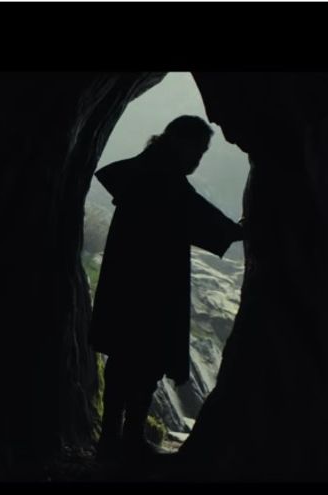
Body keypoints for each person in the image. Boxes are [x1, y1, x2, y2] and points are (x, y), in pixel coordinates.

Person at [89, 115, 244, 462]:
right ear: (178, 141)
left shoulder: (144, 171)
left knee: (127, 357)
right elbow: (196, 214)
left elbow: (192, 212)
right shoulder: (162, 178)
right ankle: (126, 440)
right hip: (151, 287)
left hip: (129, 283)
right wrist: (235, 230)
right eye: (197, 151)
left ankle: (114, 438)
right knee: (143, 359)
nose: (197, 160)